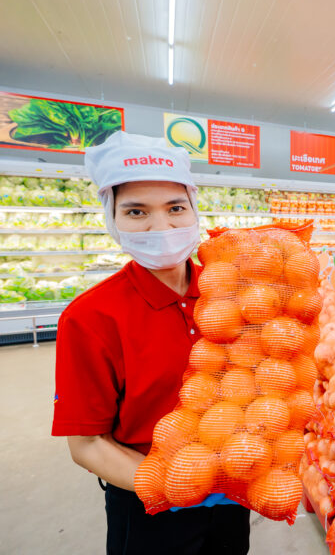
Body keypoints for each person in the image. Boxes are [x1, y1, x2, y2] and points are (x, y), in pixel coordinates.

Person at [51, 132, 250, 554]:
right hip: (147, 504)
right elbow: (87, 444)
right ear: (112, 219)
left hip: (234, 493)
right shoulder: (90, 317)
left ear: (194, 210)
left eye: (175, 208)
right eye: (136, 211)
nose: (161, 227)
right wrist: (172, 484)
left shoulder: (234, 295)